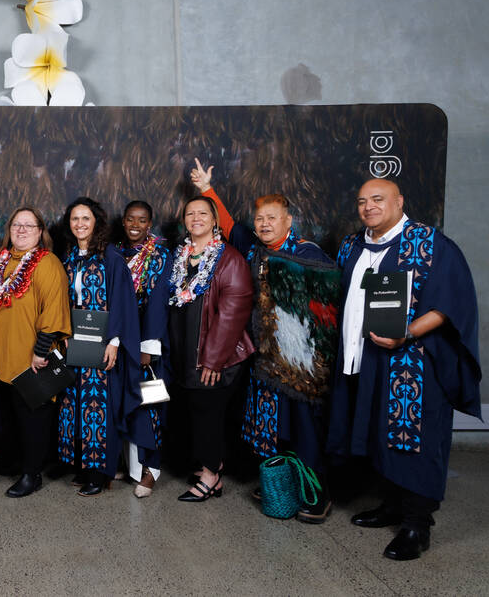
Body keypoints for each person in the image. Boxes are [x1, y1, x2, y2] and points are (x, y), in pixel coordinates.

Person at [328, 179, 480, 560]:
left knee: (415, 440)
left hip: (412, 365)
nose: (369, 207)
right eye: (362, 201)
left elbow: (449, 304)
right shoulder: (351, 245)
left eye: (378, 199)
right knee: (379, 434)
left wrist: (407, 334)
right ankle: (391, 505)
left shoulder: (430, 244)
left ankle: (416, 526)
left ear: (399, 201)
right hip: (363, 360)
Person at [191, 159, 335, 522]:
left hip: (299, 363)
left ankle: (316, 493)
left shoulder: (308, 254)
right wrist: (207, 190)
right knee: (274, 427)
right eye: (260, 219)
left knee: (304, 427)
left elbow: (325, 309)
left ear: (288, 221)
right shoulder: (253, 248)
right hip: (263, 359)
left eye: (272, 218)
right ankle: (282, 482)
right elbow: (227, 225)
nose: (264, 224)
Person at [168, 195, 254, 502]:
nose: (196, 218)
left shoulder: (229, 259)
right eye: (190, 213)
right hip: (186, 353)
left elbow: (232, 314)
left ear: (215, 219)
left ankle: (211, 475)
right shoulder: (181, 256)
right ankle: (208, 466)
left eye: (203, 213)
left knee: (209, 414)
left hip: (217, 355)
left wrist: (214, 361)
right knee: (197, 412)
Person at [58, 197, 142, 497]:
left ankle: (101, 473)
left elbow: (122, 301)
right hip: (76, 343)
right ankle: (84, 467)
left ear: (96, 223)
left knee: (99, 407)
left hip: (103, 343)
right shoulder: (69, 257)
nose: (80, 224)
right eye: (74, 219)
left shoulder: (111, 257)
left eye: (86, 219)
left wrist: (115, 341)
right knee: (76, 403)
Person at [0, 207, 71, 498]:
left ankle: (32, 475)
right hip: (2, 354)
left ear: (40, 231)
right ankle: (14, 462)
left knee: (34, 417)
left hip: (33, 356)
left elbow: (55, 309)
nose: (21, 230)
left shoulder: (48, 263)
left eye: (28, 225)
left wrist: (42, 351)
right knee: (11, 415)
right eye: (16, 225)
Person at [117, 200, 172, 498]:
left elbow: (159, 303)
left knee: (149, 405)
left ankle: (151, 470)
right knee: (124, 401)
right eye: (130, 219)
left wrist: (148, 346)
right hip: (121, 342)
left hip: (148, 346)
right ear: (123, 222)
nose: (136, 225)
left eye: (142, 220)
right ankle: (130, 466)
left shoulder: (160, 256)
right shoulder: (116, 252)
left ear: (149, 224)